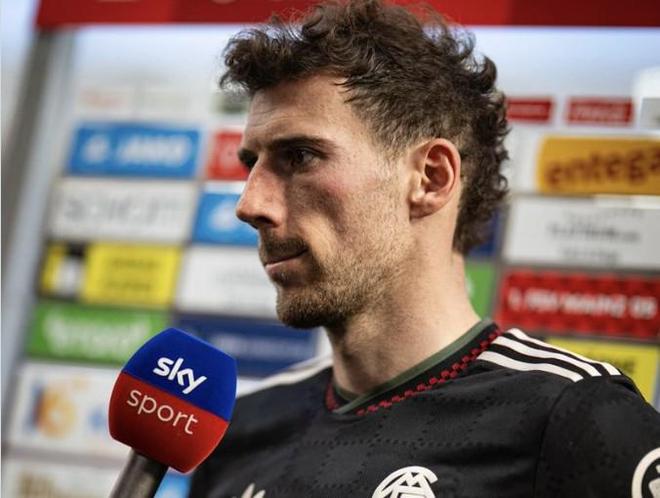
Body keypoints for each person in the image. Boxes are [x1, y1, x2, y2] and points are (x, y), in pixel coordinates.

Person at [190, 1, 660, 497]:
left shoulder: (575, 420)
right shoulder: (241, 430)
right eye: (251, 164)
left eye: (300, 156)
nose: (249, 205)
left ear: (431, 179)